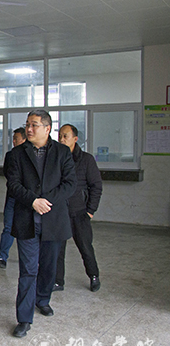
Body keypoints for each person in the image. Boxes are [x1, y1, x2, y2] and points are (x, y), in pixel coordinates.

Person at [7, 110, 76, 338]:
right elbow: (13, 185)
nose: (29, 129)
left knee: (48, 267)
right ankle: (24, 319)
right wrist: (32, 201)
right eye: (27, 124)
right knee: (28, 270)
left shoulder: (62, 152)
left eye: (34, 125)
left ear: (47, 128)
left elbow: (70, 184)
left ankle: (43, 299)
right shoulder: (16, 154)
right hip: (27, 220)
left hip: (53, 220)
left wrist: (45, 201)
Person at [54, 124, 103, 292]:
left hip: (79, 212)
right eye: (60, 136)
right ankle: (58, 281)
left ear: (75, 139)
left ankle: (94, 276)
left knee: (85, 247)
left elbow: (96, 186)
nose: (61, 139)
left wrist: (90, 211)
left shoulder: (86, 160)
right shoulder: (55, 159)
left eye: (65, 136)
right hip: (60, 212)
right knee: (58, 249)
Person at [0, 127, 27, 269]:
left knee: (28, 228)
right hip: (12, 197)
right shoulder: (11, 155)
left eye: (16, 139)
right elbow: (8, 174)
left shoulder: (31, 155)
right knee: (8, 226)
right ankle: (2, 257)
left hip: (27, 199)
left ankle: (30, 258)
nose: (14, 141)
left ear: (24, 139)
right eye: (13, 139)